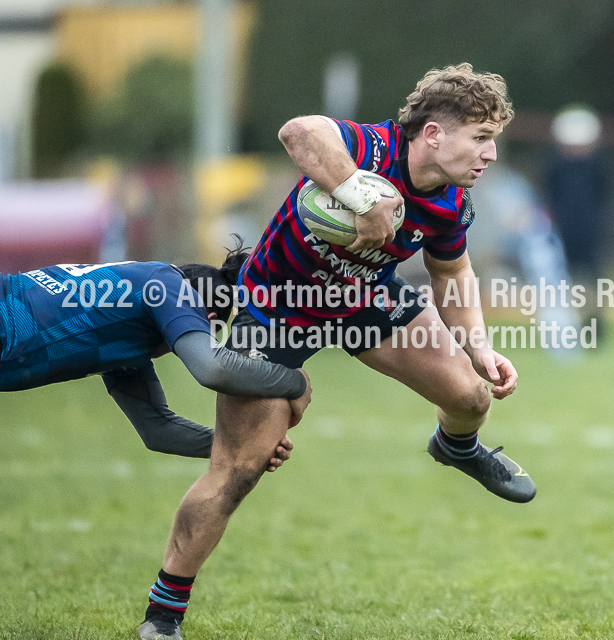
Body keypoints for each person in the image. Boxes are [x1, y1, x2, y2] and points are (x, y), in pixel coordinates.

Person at [136, 63, 535, 640]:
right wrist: (359, 196)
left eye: (492, 140)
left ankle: (457, 448)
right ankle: (163, 616)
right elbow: (299, 131)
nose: (490, 154)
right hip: (276, 308)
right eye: (481, 138)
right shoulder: (369, 147)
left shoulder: (451, 202)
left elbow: (451, 270)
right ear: (432, 134)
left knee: (472, 394)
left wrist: (479, 347)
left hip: (361, 299)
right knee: (238, 470)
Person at [0, 237, 311, 466]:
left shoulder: (129, 333)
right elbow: (212, 367)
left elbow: (158, 430)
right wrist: (295, 383)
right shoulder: (165, 282)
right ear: (207, 320)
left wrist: (247, 444)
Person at [542, 105, 613, 338]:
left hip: (589, 232)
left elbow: (605, 194)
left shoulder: (598, 166)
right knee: (562, 280)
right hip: (561, 232)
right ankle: (564, 325)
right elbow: (549, 196)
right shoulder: (556, 166)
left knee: (591, 281)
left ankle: (594, 326)